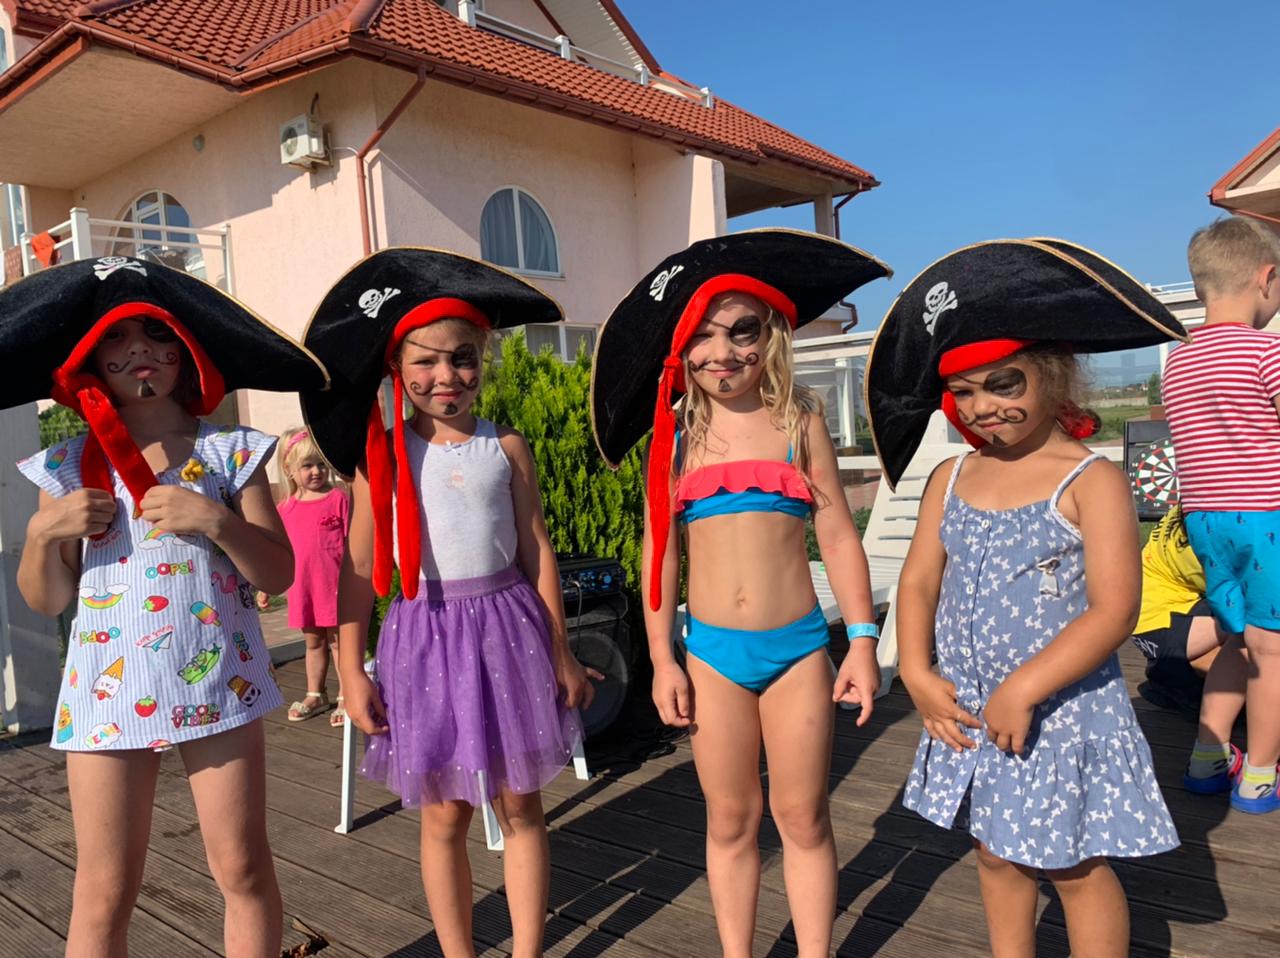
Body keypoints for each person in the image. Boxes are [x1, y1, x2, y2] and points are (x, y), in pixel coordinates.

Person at [866, 239, 1183, 957]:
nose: (984, 408)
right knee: (995, 852)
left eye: (1003, 384)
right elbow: (918, 581)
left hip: (1059, 711)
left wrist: (1025, 688)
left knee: (1074, 864)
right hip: (972, 706)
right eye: (965, 392)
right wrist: (914, 669)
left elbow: (1114, 610)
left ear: (1051, 374)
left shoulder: (1090, 480)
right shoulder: (951, 477)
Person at [7, 256, 327, 956]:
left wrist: (216, 521)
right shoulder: (65, 467)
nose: (139, 350)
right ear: (90, 358)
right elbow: (47, 597)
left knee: (243, 867)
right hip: (105, 691)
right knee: (102, 889)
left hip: (219, 683)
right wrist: (43, 534)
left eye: (157, 333)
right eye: (116, 337)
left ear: (187, 351)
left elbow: (279, 571)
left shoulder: (230, 451)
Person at [590, 229, 891, 958]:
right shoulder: (675, 436)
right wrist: (662, 658)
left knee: (804, 817)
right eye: (701, 335)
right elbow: (659, 555)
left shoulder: (800, 422)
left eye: (741, 331)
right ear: (680, 349)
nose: (721, 351)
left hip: (798, 651)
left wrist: (861, 640)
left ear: (772, 336)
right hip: (712, 657)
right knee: (729, 821)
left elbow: (838, 537)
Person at [299, 248, 598, 958]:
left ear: (482, 361)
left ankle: (528, 950)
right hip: (422, 638)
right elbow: (359, 570)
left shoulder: (506, 447)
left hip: (508, 633)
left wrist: (561, 651)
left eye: (462, 359)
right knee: (443, 816)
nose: (446, 376)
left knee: (521, 804)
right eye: (426, 361)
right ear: (396, 368)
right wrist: (350, 670)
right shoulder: (379, 458)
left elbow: (536, 552)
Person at [1162, 215, 1280, 811]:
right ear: (1266, 278)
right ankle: (1260, 774)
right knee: (1273, 651)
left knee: (1237, 640)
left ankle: (1207, 759)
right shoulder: (1269, 352)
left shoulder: (1178, 361)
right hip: (1267, 520)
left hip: (1206, 521)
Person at [258, 426, 350, 725]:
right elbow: (276, 551)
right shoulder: (285, 509)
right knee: (313, 642)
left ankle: (346, 695)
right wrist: (265, 586)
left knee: (339, 643)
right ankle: (315, 693)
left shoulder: (338, 498)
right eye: (307, 465)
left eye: (321, 464)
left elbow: (353, 545)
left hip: (335, 587)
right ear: (290, 469)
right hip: (304, 588)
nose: (316, 471)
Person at [1131, 503, 1240, 715]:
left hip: (1154, 603)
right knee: (1258, 634)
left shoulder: (1199, 502)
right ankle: (1175, 675)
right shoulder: (1212, 541)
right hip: (1157, 620)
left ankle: (1178, 672)